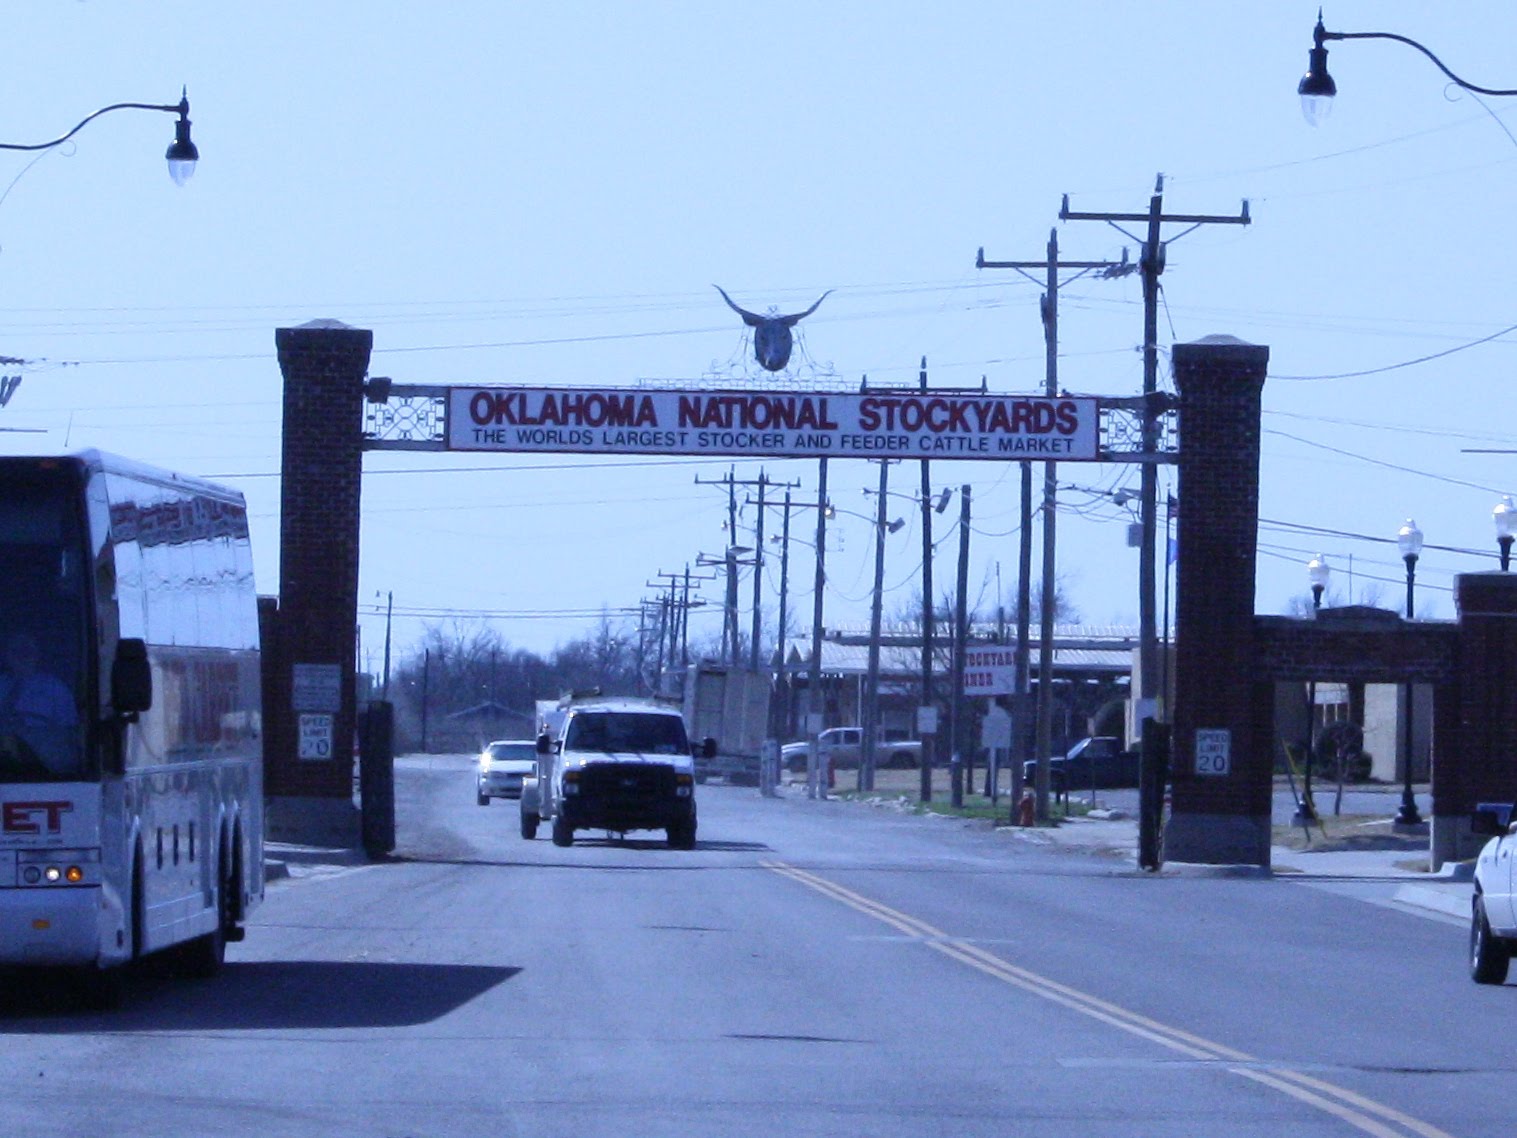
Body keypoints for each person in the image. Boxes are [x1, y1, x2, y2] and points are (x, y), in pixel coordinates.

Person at [0, 632, 79, 774]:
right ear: (6, 655)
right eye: (16, 651)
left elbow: (69, 734)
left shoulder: (55, 689)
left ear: (37, 655)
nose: (22, 656)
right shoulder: (1, 686)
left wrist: (28, 730)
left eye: (27, 651)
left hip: (44, 766)